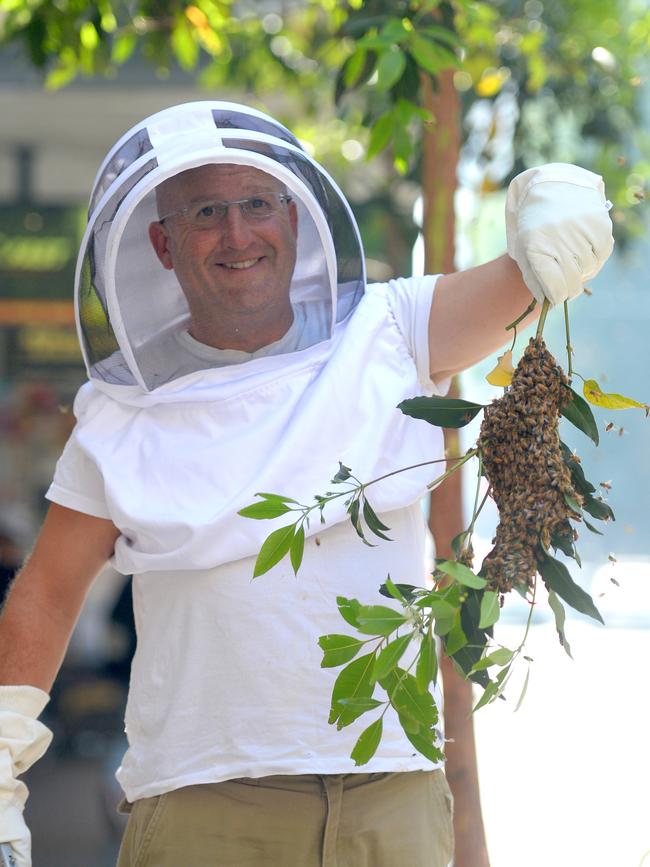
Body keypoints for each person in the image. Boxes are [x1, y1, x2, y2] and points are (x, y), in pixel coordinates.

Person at [0, 102, 613, 867]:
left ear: (295, 216)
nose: (237, 233)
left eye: (257, 202)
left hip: (393, 793)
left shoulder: (393, 329)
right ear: (161, 241)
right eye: (205, 212)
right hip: (204, 804)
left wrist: (556, 211)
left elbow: (525, 284)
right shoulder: (118, 417)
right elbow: (50, 587)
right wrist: (2, 755)